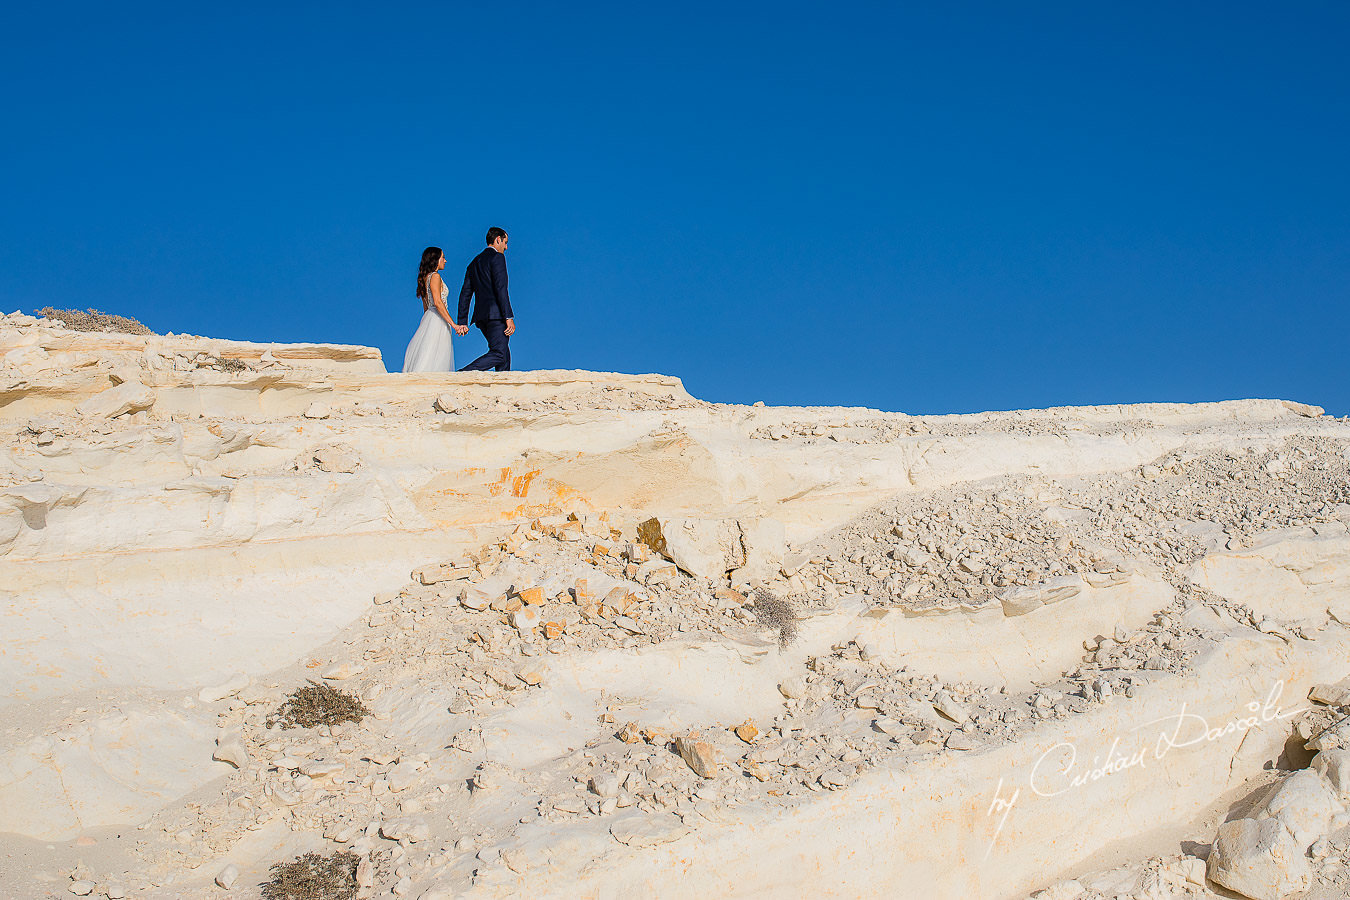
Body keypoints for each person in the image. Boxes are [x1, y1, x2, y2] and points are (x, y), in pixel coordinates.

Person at [456, 227, 515, 372]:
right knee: (500, 353)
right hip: (496, 315)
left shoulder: (473, 263)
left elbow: (465, 294)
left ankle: (503, 386)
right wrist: (508, 316)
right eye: (505, 242)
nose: (506, 247)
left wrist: (462, 321)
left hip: (481, 317)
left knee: (503, 353)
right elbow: (501, 289)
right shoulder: (497, 257)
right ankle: (464, 373)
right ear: (498, 240)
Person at [403, 246, 468, 373]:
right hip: (438, 319)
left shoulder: (424, 278)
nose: (445, 260)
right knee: (437, 356)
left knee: (428, 352)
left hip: (429, 319)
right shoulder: (435, 276)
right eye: (443, 257)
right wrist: (454, 325)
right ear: (435, 260)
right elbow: (438, 303)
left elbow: (426, 308)